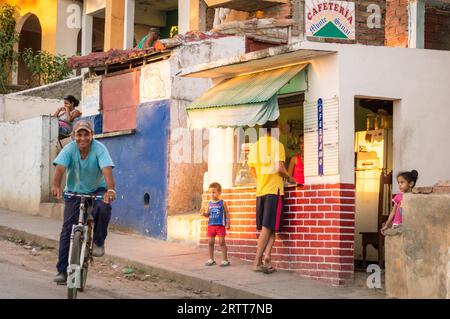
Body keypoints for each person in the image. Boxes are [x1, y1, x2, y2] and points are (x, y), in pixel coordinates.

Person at [51, 120, 116, 284]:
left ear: (92, 135)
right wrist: (55, 186)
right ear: (74, 136)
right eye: (79, 134)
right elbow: (60, 168)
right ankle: (62, 271)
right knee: (67, 229)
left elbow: (106, 169)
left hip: (97, 189)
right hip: (74, 191)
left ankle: (99, 241)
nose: (83, 138)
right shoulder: (69, 149)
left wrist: (110, 190)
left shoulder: (100, 148)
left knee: (104, 208)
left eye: (86, 134)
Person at [248, 120, 296, 274]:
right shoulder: (278, 145)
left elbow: (252, 170)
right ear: (274, 129)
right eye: (279, 127)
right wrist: (290, 177)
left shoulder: (255, 146)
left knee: (271, 227)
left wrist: (262, 179)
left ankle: (268, 257)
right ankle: (256, 262)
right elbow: (280, 168)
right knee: (267, 227)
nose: (280, 130)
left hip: (261, 190)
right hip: (274, 190)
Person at [200, 182, 231, 267]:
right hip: (211, 225)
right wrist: (204, 214)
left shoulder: (222, 202)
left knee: (222, 242)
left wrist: (228, 223)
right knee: (210, 242)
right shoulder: (209, 203)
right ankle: (211, 259)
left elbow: (227, 213)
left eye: (214, 192)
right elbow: (208, 214)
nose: (212, 194)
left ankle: (225, 260)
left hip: (220, 225)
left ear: (219, 192)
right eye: (210, 192)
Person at [381, 170, 419, 235]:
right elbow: (393, 212)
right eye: (398, 183)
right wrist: (387, 225)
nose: (399, 185)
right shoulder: (398, 196)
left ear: (411, 184)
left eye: (402, 182)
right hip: (396, 225)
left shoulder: (415, 197)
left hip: (408, 226)